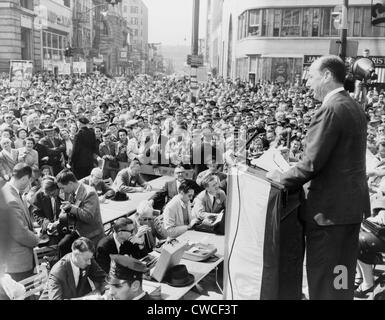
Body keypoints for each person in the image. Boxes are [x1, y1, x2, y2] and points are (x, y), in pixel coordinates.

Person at [266, 55, 370, 300]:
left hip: (328, 217)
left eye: (311, 76)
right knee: (341, 278)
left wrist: (281, 176)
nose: (308, 82)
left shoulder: (330, 109)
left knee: (324, 284)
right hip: (349, 214)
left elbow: (311, 164)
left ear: (326, 76)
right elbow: (335, 159)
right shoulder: (352, 106)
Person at [1, 163, 39, 281]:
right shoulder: (11, 199)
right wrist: (37, 239)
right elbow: (20, 232)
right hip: (17, 263)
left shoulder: (11, 192)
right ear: (24, 179)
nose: (29, 184)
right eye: (29, 181)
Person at [56, 169, 105, 257]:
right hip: (79, 231)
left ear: (70, 183)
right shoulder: (72, 192)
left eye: (62, 188)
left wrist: (71, 208)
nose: (62, 191)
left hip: (92, 235)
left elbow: (88, 216)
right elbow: (73, 211)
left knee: (77, 256)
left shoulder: (90, 193)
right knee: (62, 246)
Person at [31, 176, 63, 242]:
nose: (51, 196)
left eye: (53, 193)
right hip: (48, 231)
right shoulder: (39, 195)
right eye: (48, 195)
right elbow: (36, 213)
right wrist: (44, 222)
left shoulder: (64, 191)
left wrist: (59, 222)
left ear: (57, 188)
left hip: (62, 229)